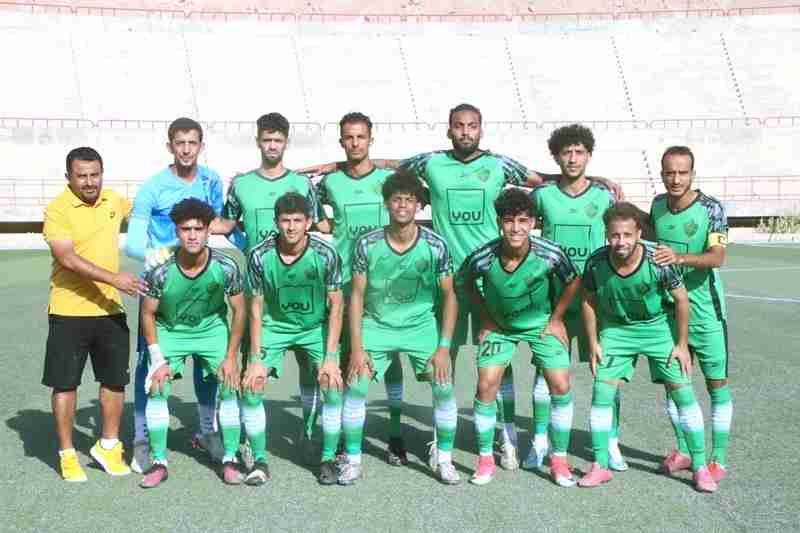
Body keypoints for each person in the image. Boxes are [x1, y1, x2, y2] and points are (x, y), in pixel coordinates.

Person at [302, 103, 574, 470]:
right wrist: (336, 166)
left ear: (481, 129)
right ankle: (438, 441)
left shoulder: (499, 165)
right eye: (459, 126)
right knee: (444, 360)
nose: (465, 132)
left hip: (492, 276)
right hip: (448, 280)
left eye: (472, 126)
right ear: (449, 130)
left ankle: (506, 433)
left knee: (498, 357)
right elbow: (386, 166)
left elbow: (543, 180)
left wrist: (594, 179)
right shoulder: (431, 162)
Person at [578, 202, 717, 492]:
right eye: (615, 235)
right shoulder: (596, 262)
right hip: (617, 330)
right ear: (607, 235)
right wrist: (593, 343)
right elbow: (588, 301)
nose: (621, 242)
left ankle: (700, 467)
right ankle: (600, 466)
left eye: (627, 235)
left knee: (683, 392)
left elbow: (682, 300)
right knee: (602, 392)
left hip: (656, 329)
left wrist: (681, 344)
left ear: (639, 233)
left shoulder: (657, 260)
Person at [338, 170, 460, 485]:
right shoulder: (367, 244)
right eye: (396, 199)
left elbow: (449, 296)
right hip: (377, 325)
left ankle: (443, 458)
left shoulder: (436, 245)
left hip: (420, 327)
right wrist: (357, 348)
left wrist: (444, 347)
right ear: (386, 204)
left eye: (409, 200)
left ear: (419, 205)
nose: (403, 205)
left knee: (444, 386)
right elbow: (357, 296)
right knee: (356, 385)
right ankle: (352, 460)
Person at [215, 112, 323, 461]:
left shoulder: (303, 185)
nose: (272, 145)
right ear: (258, 141)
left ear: (286, 142)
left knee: (309, 365)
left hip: (300, 292)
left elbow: (321, 225)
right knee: (252, 364)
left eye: (278, 140)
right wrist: (174, 230)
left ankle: (309, 428)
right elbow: (226, 223)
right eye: (267, 140)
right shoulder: (242, 185)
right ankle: (249, 439)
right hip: (258, 294)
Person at [459, 188, 580, 487]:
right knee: (486, 384)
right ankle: (485, 459)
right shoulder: (484, 256)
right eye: (509, 220)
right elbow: (464, 282)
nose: (516, 228)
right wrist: (486, 317)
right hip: (500, 327)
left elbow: (573, 280)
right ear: (499, 222)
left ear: (533, 223)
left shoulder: (550, 253)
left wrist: (556, 319)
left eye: (523, 220)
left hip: (540, 325)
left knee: (560, 384)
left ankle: (559, 460)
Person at [125, 117, 226, 473]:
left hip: (201, 283)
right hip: (162, 286)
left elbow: (218, 225)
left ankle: (208, 431)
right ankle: (141, 439)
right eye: (179, 143)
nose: (186, 149)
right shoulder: (153, 188)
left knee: (207, 362)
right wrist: (166, 252)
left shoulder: (212, 181)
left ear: (201, 145)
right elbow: (133, 244)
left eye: (192, 143)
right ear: (169, 146)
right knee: (148, 364)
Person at [526, 124, 627, 471]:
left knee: (607, 373)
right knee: (546, 373)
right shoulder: (542, 196)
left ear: (589, 155)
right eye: (566, 152)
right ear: (556, 157)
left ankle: (611, 442)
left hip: (596, 300)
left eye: (579, 152)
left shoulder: (604, 197)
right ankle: (540, 441)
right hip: (553, 301)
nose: (572, 158)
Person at [43, 146, 145, 481]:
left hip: (110, 310)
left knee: (114, 381)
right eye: (81, 176)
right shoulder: (57, 209)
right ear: (69, 177)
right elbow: (67, 258)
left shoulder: (113, 201)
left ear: (102, 173)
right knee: (65, 385)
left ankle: (108, 446)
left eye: (95, 175)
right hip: (68, 311)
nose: (89, 182)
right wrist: (115, 279)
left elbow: (148, 211)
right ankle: (68, 454)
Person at [315, 111, 407, 465]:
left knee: (391, 356)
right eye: (349, 138)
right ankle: (342, 434)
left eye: (361, 137)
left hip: (385, 281)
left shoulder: (388, 179)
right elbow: (318, 217)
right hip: (342, 281)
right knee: (342, 356)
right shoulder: (329, 183)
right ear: (341, 141)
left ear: (371, 139)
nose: (355, 143)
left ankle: (395, 432)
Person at [138, 199, 246, 488]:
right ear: (176, 231)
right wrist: (157, 359)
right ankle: (158, 462)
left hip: (211, 330)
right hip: (171, 331)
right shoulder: (160, 269)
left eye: (199, 229)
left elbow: (240, 310)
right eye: (186, 229)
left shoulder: (226, 265)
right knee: (158, 387)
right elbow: (147, 314)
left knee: (229, 383)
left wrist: (231, 356)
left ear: (209, 231)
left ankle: (229, 458)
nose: (193, 235)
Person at [243, 192, 344, 485]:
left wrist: (331, 357)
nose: (291, 227)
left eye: (297, 220)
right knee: (252, 385)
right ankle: (258, 459)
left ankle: (327, 457)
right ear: (276, 222)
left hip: (314, 328)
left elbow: (337, 304)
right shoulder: (259, 255)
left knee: (332, 383)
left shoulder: (326, 254)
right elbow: (255, 307)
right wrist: (255, 359)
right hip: (274, 327)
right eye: (285, 220)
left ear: (309, 222)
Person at [651, 146, 732, 483]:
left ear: (692, 175)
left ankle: (719, 459)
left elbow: (717, 257)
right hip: (670, 312)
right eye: (670, 172)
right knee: (674, 385)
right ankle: (684, 450)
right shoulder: (657, 206)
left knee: (717, 385)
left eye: (682, 172)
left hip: (706, 312)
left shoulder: (711, 208)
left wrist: (679, 258)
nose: (676, 179)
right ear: (662, 174)